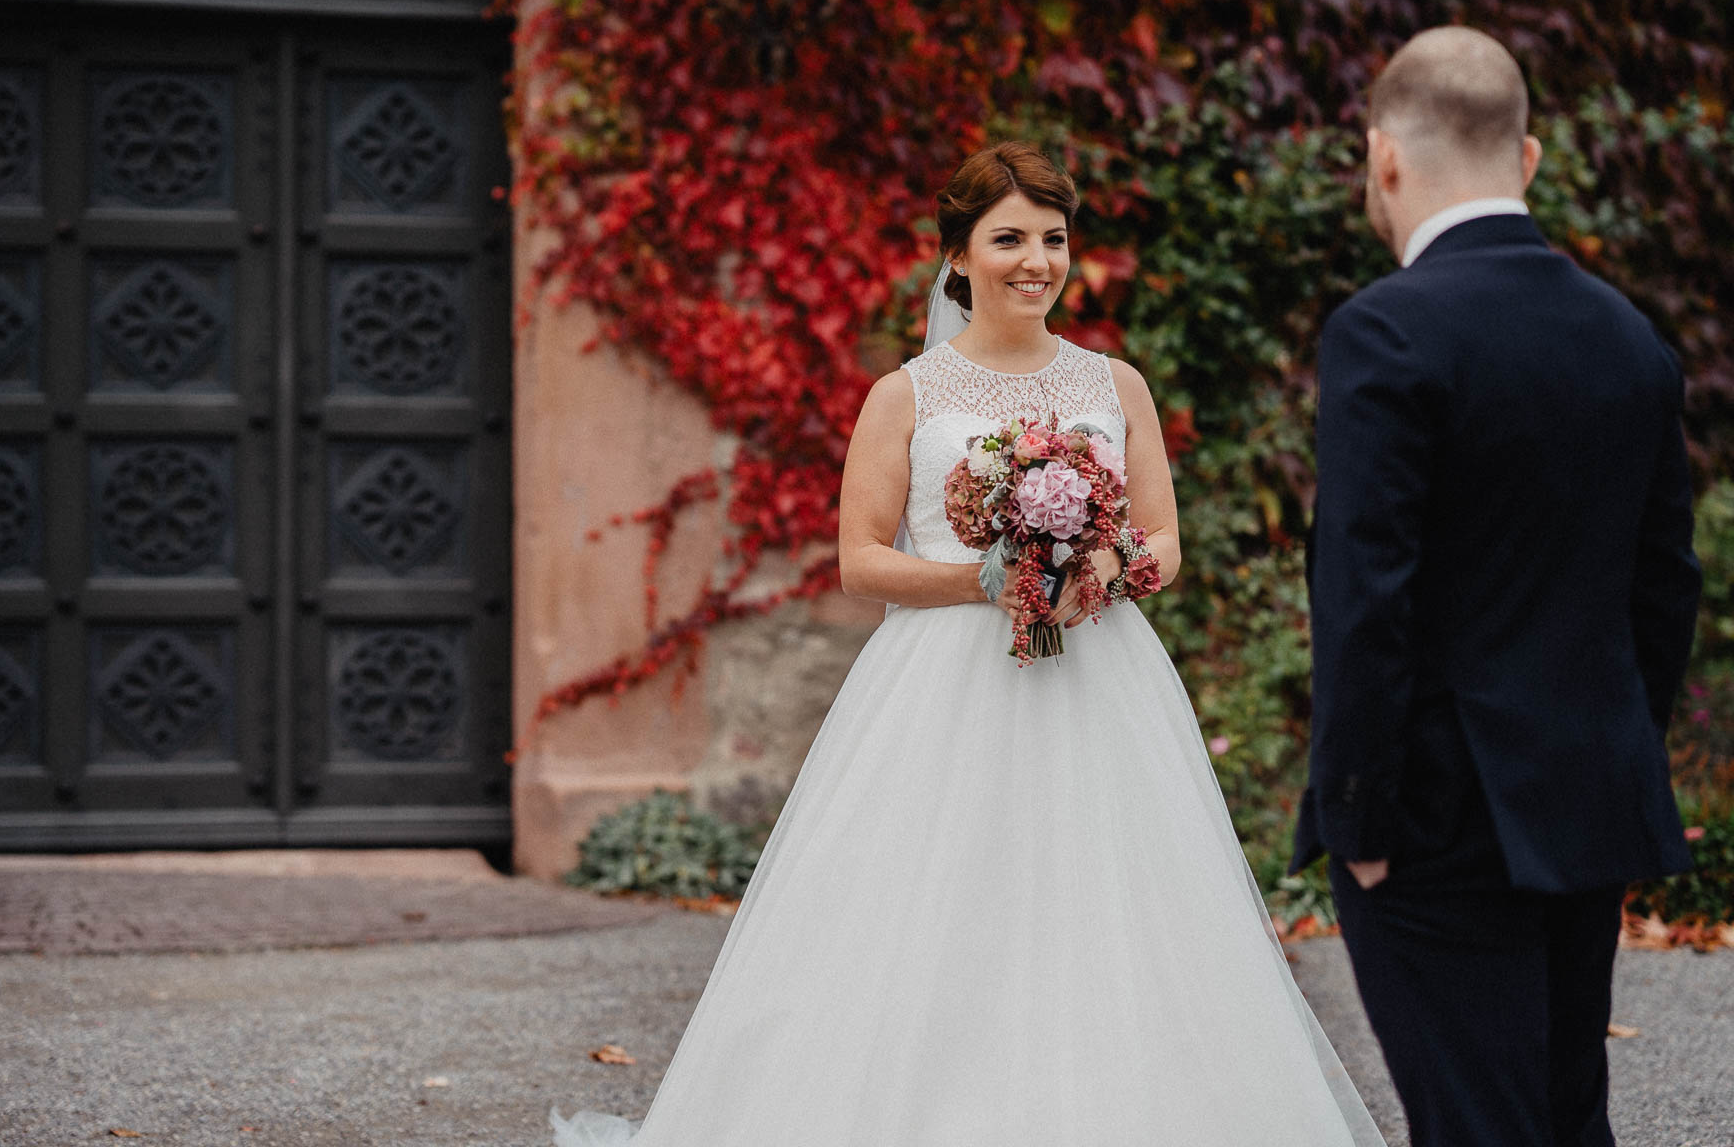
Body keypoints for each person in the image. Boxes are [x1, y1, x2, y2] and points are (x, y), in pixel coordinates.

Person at [551, 142, 1386, 1145]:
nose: (1036, 260)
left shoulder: (1116, 386)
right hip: (940, 686)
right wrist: (985, 582)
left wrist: (1102, 572)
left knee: (1108, 908)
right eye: (1009, 239)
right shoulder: (905, 395)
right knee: (935, 910)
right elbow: (860, 560)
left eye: (1053, 238)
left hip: (1100, 677)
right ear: (957, 255)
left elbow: (1166, 540)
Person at [1294, 26, 1702, 1147]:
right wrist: (1608, 745)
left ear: (1383, 157)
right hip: (1585, 800)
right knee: (1566, 1118)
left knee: (1476, 1122)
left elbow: (1366, 590)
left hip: (1432, 818)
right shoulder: (1630, 338)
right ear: (1528, 159)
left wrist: (1360, 818)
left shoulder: (1385, 331)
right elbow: (1665, 585)